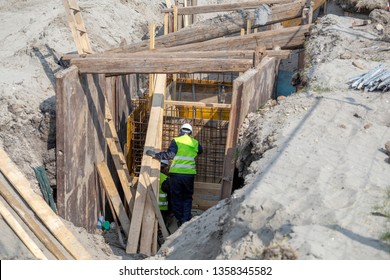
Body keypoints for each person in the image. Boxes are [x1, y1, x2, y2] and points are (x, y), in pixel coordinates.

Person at [146, 123, 203, 226]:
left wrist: (155, 155)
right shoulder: (195, 142)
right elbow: (200, 151)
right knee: (187, 197)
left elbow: (169, 155)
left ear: (180, 131)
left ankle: (180, 219)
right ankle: (185, 220)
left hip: (176, 175)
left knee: (176, 197)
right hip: (189, 175)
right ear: (190, 132)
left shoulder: (176, 141)